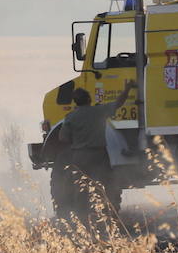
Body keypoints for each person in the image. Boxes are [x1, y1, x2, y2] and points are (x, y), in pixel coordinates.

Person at [54, 79, 136, 222]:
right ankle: (110, 217)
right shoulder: (99, 111)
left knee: (81, 189)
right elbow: (119, 103)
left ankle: (82, 220)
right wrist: (127, 88)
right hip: (99, 156)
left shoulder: (70, 117)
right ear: (89, 99)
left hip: (80, 156)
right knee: (108, 186)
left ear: (75, 102)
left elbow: (63, 138)